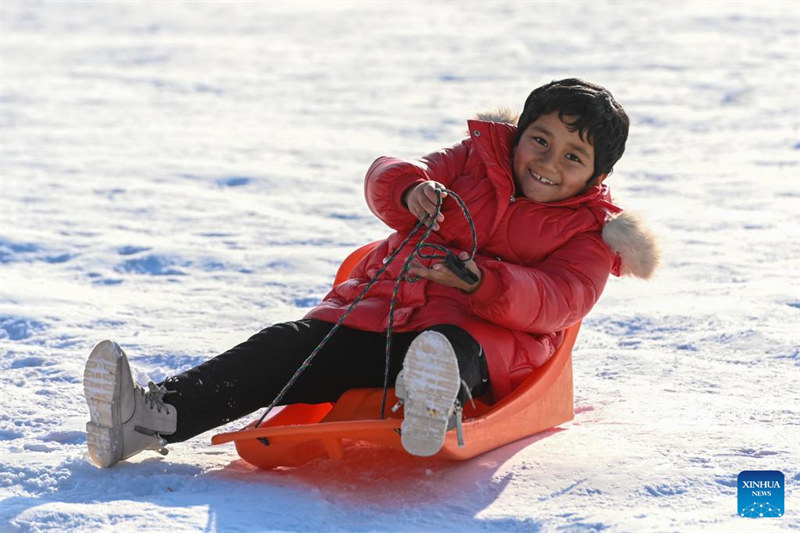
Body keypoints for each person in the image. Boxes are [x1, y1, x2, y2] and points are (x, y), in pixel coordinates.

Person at [83, 78, 659, 468]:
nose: (548, 162)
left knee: (446, 346)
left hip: (486, 339)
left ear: (596, 175)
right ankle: (151, 416)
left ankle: (432, 399)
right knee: (286, 347)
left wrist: (483, 284)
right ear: (519, 134)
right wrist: (411, 189)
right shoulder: (471, 161)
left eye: (572, 157)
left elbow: (561, 299)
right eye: (540, 140)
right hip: (377, 317)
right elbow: (387, 173)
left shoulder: (589, 232)